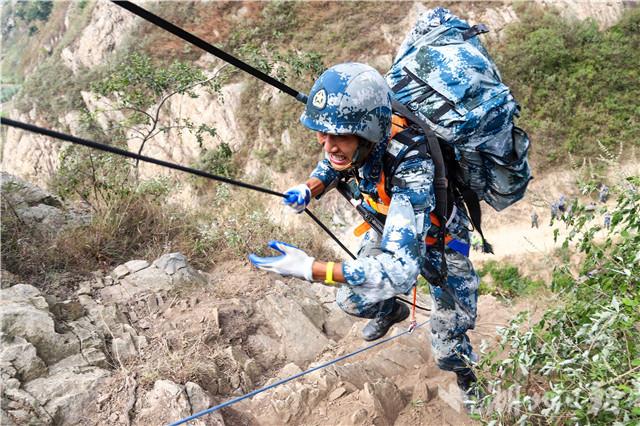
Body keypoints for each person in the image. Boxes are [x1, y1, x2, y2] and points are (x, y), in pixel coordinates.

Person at [248, 63, 480, 401]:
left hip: (442, 247)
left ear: (367, 133)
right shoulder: (355, 141)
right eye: (322, 134)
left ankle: (467, 378)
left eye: (337, 136)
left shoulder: (413, 165)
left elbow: (401, 271)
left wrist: (311, 269)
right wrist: (310, 189)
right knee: (351, 300)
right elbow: (333, 163)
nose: (327, 146)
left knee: (447, 346)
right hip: (388, 228)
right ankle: (391, 310)